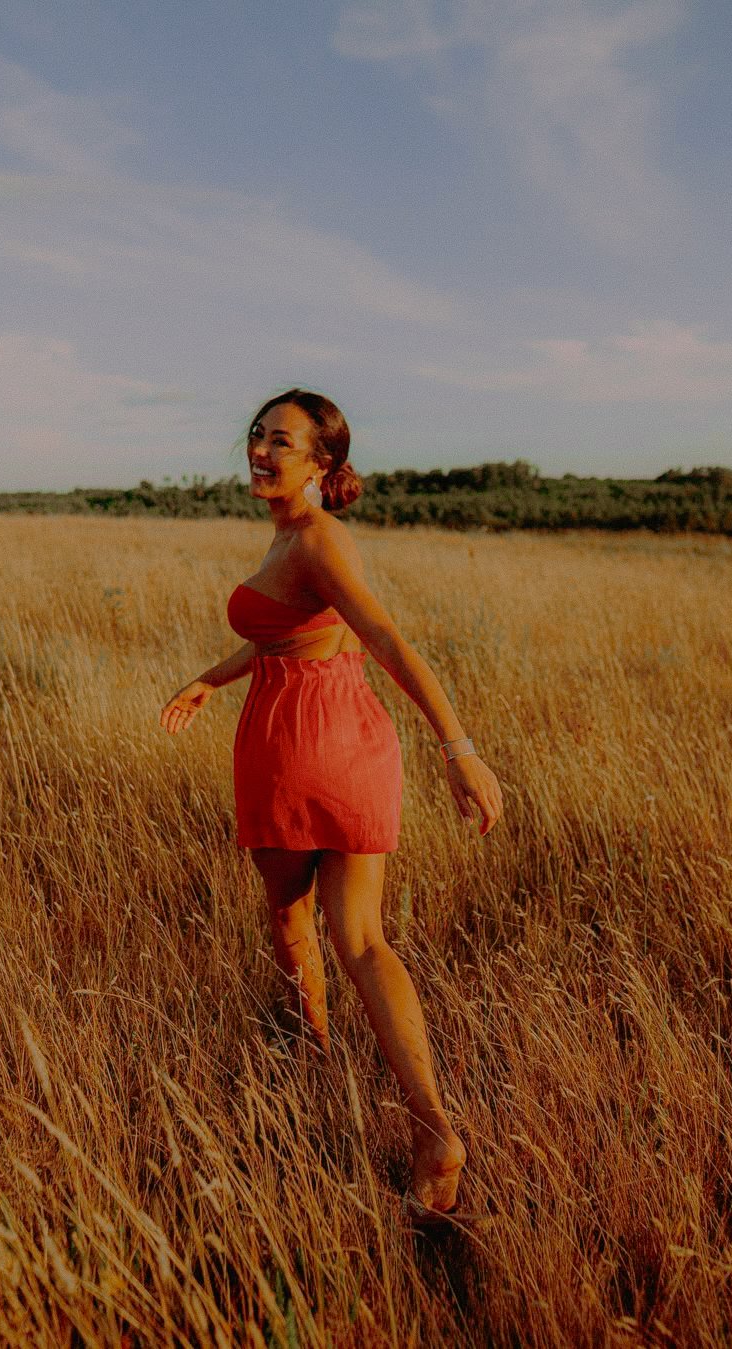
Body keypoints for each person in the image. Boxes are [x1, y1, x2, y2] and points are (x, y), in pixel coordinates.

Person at [159, 388, 503, 1220]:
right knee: (364, 939)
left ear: (322, 463)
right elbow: (294, 634)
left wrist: (461, 749)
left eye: (283, 441)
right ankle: (432, 1128)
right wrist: (213, 676)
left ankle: (312, 1053)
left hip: (293, 744)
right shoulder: (301, 541)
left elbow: (386, 635)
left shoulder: (317, 539)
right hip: (352, 740)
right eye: (258, 435)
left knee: (292, 923)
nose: (262, 449)